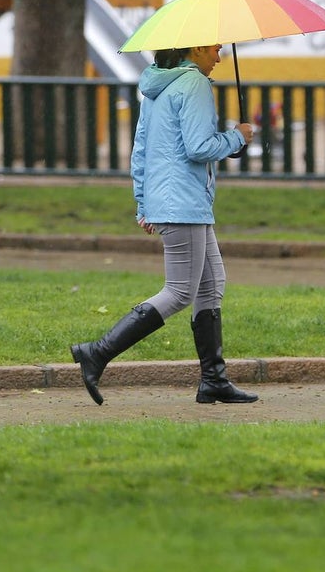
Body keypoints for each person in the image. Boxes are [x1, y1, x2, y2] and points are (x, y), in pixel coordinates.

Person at [70, 44, 259, 405]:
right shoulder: (194, 84)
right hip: (183, 203)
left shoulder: (158, 85)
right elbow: (199, 148)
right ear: (197, 48)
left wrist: (144, 202)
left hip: (175, 202)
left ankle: (214, 380)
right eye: (215, 49)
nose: (218, 58)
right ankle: (97, 352)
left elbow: (141, 149)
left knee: (212, 284)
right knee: (180, 292)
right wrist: (238, 136)